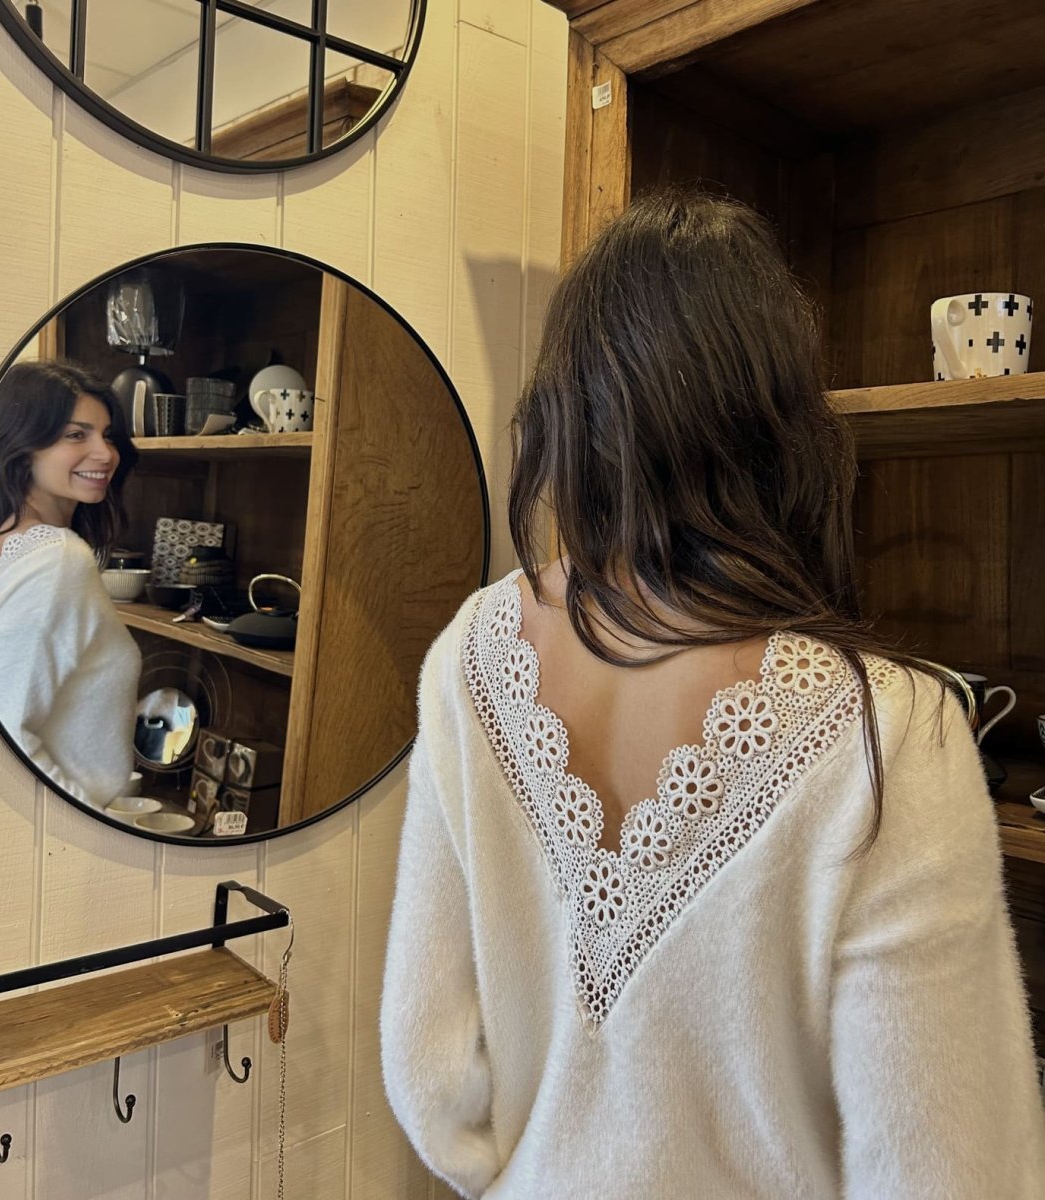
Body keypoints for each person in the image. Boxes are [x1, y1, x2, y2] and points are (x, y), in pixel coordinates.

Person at [380, 190, 1045, 1198]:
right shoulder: (897, 730)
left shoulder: (470, 650)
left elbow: (429, 1075)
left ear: (572, 408)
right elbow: (949, 1171)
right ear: (778, 422)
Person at [0, 359, 142, 809]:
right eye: (76, 435)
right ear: (22, 448)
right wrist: (88, 825)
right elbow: (7, 738)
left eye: (107, 435)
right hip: (60, 826)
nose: (105, 453)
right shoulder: (57, 558)